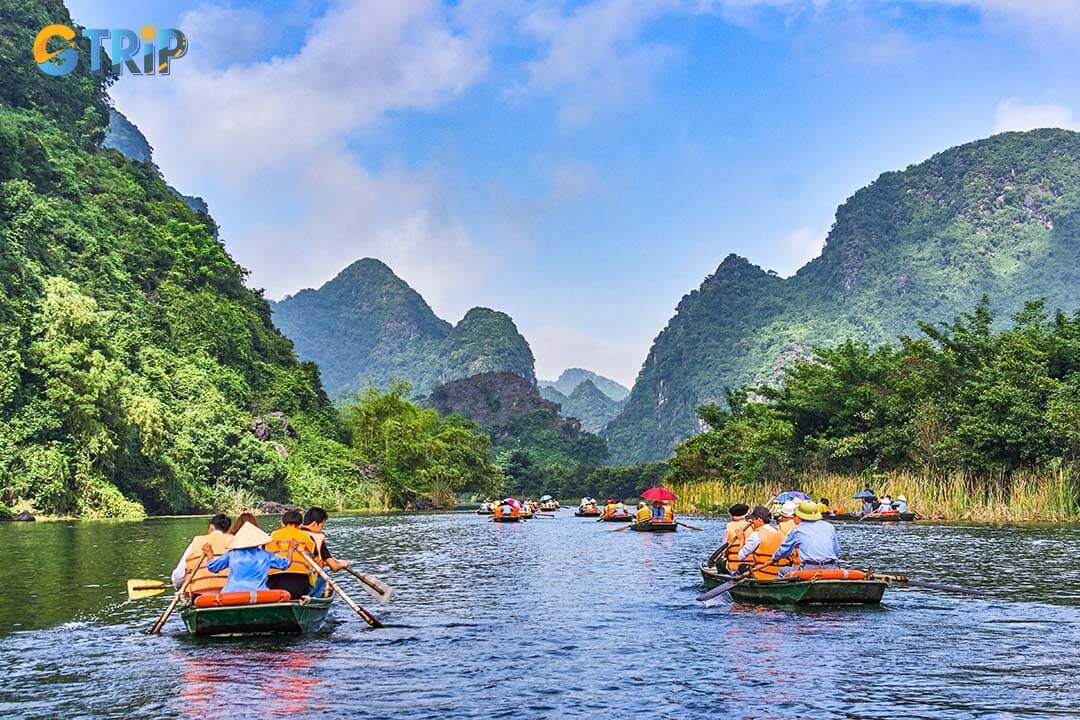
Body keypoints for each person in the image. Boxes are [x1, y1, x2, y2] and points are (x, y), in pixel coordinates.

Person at [205, 523, 297, 593]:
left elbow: (212, 567)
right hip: (259, 593)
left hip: (231, 593)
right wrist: (291, 549)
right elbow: (285, 564)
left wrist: (209, 553)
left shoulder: (232, 554)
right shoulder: (266, 555)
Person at [771, 501, 841, 574]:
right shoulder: (829, 527)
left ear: (800, 516)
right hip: (831, 567)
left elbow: (784, 550)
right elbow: (836, 551)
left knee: (782, 570)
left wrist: (774, 558)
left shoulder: (797, 530)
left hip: (808, 568)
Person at [171, 513, 232, 594]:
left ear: (211, 527)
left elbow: (178, 575)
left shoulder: (196, 542)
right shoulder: (234, 541)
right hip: (230, 592)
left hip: (199, 593)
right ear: (228, 530)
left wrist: (177, 584)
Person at [267, 510, 318, 599]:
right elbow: (317, 558)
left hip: (275, 581)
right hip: (300, 579)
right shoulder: (307, 536)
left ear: (282, 524)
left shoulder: (272, 536)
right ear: (300, 525)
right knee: (320, 583)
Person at [301, 507, 349, 597]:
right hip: (305, 584)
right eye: (322, 526)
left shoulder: (292, 533)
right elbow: (334, 567)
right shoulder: (317, 538)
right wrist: (342, 564)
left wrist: (323, 561)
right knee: (324, 578)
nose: (322, 529)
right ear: (315, 524)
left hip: (281, 581)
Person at [734, 506, 791, 579]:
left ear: (759, 520)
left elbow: (740, 556)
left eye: (753, 520)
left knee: (741, 567)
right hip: (779, 574)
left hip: (762, 574)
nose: (752, 523)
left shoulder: (756, 535)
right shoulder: (780, 533)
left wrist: (742, 539)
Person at [723, 503, 750, 572]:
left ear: (731, 515)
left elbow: (724, 551)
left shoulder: (729, 527)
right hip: (750, 567)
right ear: (746, 514)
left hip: (733, 567)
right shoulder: (753, 526)